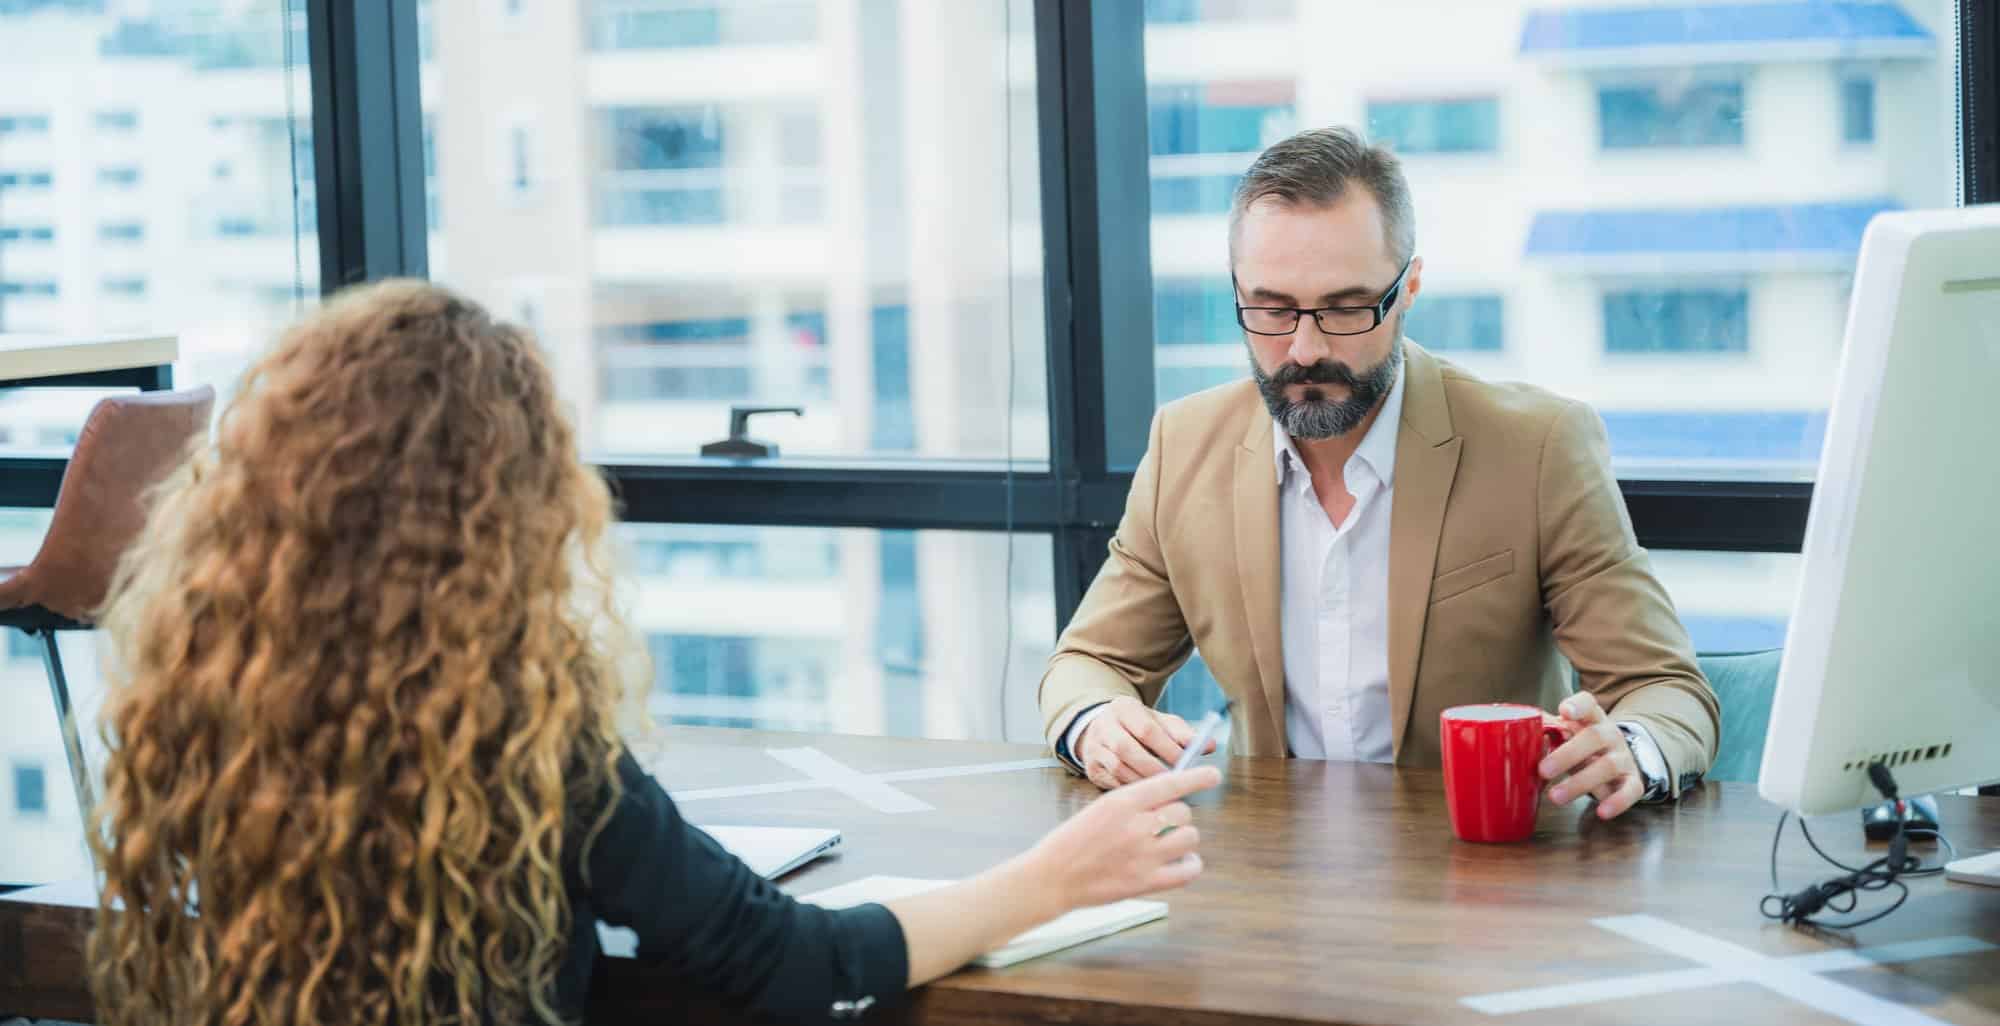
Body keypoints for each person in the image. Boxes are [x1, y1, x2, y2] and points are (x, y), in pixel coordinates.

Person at [87, 280, 1219, 1026]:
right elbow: (793, 966)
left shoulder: (204, 712)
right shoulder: (512, 747)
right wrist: (1049, 881)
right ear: (503, 515)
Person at [1039, 127, 1719, 820]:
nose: (1305, 349)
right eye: (1271, 309)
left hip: (1485, 873)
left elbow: (1666, 689)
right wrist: (1097, 722)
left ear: (1409, 289)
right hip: (1265, 877)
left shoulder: (1537, 448)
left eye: (1344, 309)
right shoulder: (1185, 446)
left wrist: (1631, 748)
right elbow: (1088, 662)